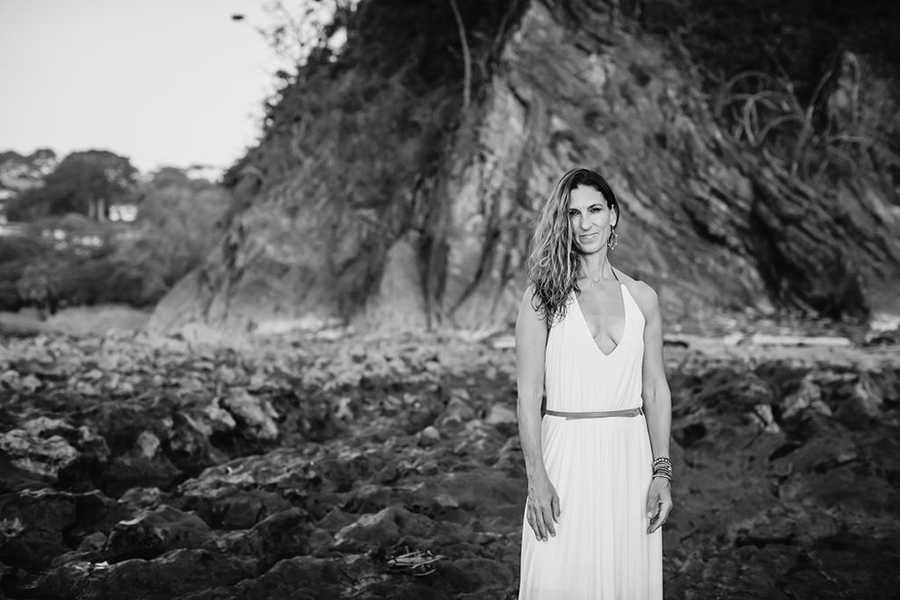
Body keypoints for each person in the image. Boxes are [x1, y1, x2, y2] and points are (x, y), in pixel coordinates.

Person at [516, 168, 673, 599]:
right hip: (564, 457)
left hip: (630, 462)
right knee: (559, 577)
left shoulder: (643, 298)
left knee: (625, 580)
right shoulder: (542, 296)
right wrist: (536, 479)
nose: (584, 223)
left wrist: (662, 472)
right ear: (561, 222)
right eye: (572, 213)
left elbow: (655, 390)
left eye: (594, 210)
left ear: (613, 215)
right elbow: (528, 396)